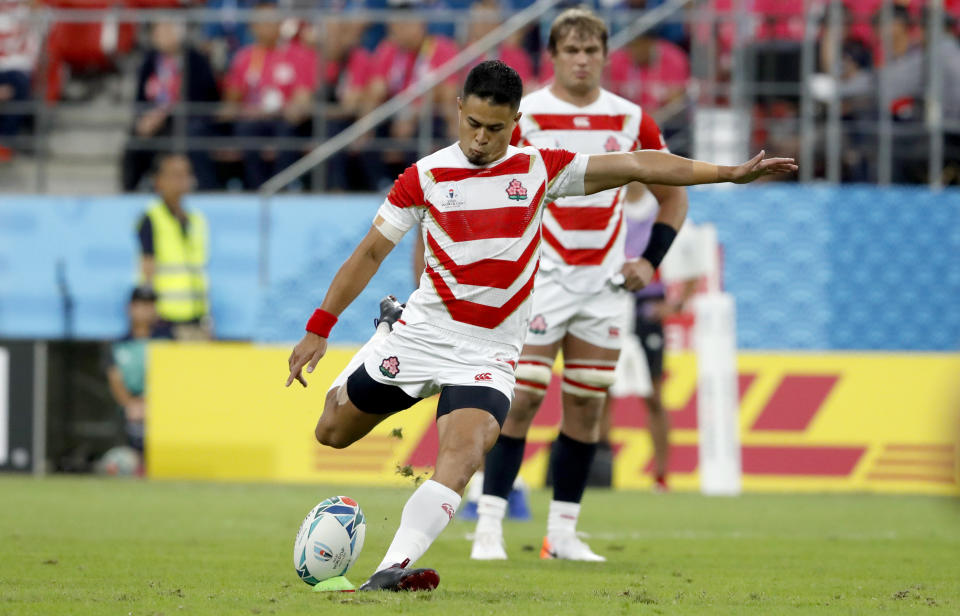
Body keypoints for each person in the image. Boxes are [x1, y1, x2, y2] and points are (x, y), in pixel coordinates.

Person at [284, 59, 795, 592]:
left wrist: (728, 174)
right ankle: (383, 333)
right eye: (473, 124)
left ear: (516, 120)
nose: (481, 139)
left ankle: (390, 570)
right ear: (458, 109)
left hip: (487, 354)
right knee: (332, 432)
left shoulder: (540, 170)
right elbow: (369, 253)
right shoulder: (426, 176)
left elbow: (641, 163)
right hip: (421, 334)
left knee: (464, 452)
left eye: (496, 128)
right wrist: (319, 328)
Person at [469, 7, 685, 563]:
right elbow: (485, 183)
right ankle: (488, 525)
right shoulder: (527, 115)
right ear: (554, 56)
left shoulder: (631, 119)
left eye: (592, 50)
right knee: (522, 399)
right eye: (572, 50)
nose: (583, 59)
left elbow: (673, 192)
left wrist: (650, 260)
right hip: (541, 279)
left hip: (604, 284)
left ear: (606, 55)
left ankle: (561, 534)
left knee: (587, 407)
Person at [604, 214, 703, 492]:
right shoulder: (613, 202)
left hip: (647, 309)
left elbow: (694, 260)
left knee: (654, 396)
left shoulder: (659, 208)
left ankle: (661, 476)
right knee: (601, 392)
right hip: (612, 305)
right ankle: (599, 471)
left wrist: (676, 304)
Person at [222, 1, 318, 189]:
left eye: (272, 21)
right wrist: (242, 108)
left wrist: (286, 110)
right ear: (253, 26)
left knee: (288, 132)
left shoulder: (299, 55)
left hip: (284, 119)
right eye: (262, 22)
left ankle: (279, 189)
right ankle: (256, 189)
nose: (267, 27)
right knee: (245, 131)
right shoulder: (244, 58)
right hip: (253, 120)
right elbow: (232, 102)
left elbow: (302, 100)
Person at [122, 21, 221, 192]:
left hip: (189, 118)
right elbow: (140, 98)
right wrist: (145, 118)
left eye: (167, 31)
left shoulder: (195, 60)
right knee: (136, 136)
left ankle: (206, 187)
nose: (162, 37)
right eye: (158, 33)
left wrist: (168, 112)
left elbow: (206, 95)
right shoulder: (149, 62)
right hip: (155, 120)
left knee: (188, 134)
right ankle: (131, 188)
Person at [136, 153, 212, 339]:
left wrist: (207, 317)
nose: (182, 180)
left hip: (196, 317)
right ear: (159, 180)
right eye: (175, 175)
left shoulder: (197, 219)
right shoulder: (151, 218)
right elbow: (147, 267)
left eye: (185, 174)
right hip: (165, 320)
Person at [104, 286, 172, 464]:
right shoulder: (118, 344)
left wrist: (153, 403)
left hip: (162, 406)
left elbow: (173, 376)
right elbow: (115, 379)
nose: (145, 311)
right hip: (130, 408)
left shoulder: (167, 340)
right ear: (130, 308)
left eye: (150, 306)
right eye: (140, 305)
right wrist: (131, 404)